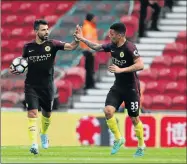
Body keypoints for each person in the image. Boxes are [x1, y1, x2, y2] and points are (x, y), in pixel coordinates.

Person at [74, 23, 145, 157]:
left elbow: (140, 65)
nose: (109, 35)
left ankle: (141, 145)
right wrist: (81, 38)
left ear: (120, 35)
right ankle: (119, 139)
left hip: (131, 88)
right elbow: (96, 46)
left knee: (134, 118)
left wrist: (121, 70)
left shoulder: (130, 47)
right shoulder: (112, 46)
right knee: (108, 111)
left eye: (112, 34)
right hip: (118, 86)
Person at [10, 19, 80, 155]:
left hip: (47, 86)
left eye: (47, 29)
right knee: (32, 113)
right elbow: (22, 63)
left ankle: (43, 134)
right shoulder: (27, 47)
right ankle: (34, 144)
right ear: (36, 31)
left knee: (47, 114)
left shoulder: (52, 44)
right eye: (43, 29)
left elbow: (72, 46)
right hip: (31, 86)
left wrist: (76, 39)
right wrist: (17, 69)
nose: (46, 31)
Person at [80, 13, 98, 89]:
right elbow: (88, 39)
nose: (95, 19)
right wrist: (92, 50)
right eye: (94, 18)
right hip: (89, 50)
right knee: (89, 69)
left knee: (90, 68)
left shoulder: (90, 26)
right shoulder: (88, 27)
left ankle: (89, 84)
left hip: (90, 50)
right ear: (91, 18)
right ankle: (89, 85)